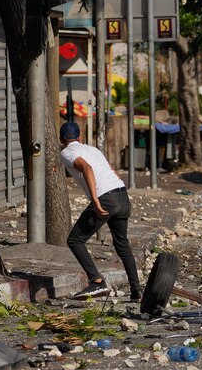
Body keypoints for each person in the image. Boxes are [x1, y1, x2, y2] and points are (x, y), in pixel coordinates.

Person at [59, 121, 142, 300]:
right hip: (121, 195)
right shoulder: (93, 150)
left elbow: (86, 168)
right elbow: (112, 171)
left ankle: (96, 281)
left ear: (61, 139)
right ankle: (137, 290)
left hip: (106, 199)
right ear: (80, 137)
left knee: (75, 240)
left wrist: (95, 201)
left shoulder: (66, 152)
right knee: (122, 245)